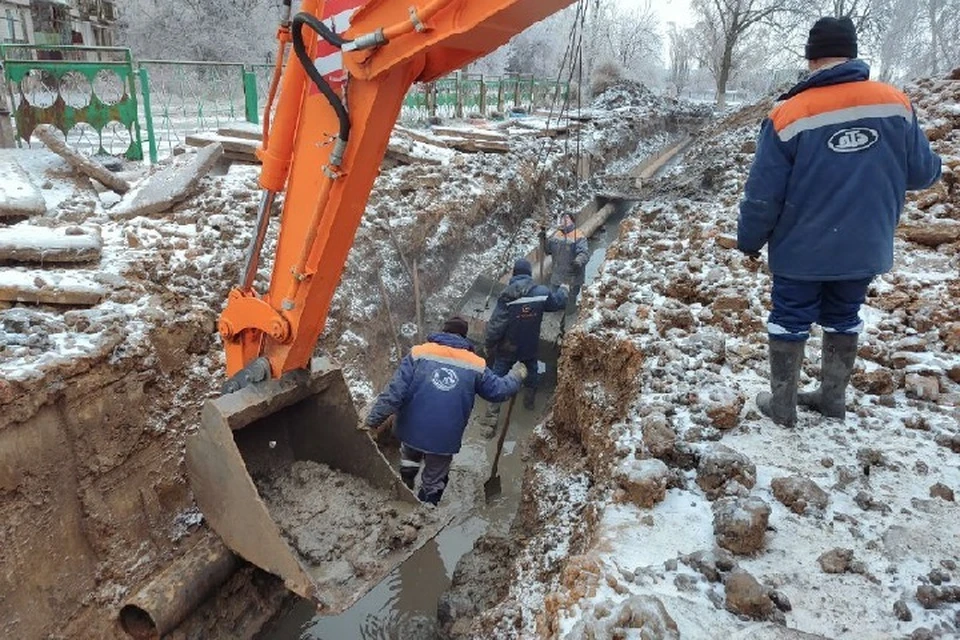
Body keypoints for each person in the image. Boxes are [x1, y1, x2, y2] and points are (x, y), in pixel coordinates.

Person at [737, 16, 942, 428]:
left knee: (790, 318)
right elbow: (923, 173)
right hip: (865, 245)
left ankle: (783, 406)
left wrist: (748, 239)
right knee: (844, 314)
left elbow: (764, 193)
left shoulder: (790, 114)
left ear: (812, 58)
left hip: (802, 248)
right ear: (852, 54)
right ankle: (832, 399)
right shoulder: (894, 103)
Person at [364, 315, 526, 505]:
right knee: (434, 480)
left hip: (410, 429)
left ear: (443, 331)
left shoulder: (418, 353)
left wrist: (371, 422)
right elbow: (499, 391)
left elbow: (394, 393)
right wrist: (516, 376)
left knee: (409, 457)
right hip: (444, 437)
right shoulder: (476, 364)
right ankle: (426, 512)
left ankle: (404, 493)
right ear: (464, 337)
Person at [483, 259, 568, 428]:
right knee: (532, 375)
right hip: (529, 346)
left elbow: (496, 325)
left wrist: (488, 344)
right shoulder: (541, 293)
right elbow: (557, 303)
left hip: (507, 347)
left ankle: (491, 417)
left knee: (497, 378)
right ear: (529, 274)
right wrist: (564, 290)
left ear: (514, 274)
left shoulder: (506, 295)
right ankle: (529, 405)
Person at [543, 213, 588, 311]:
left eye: (567, 218)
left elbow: (584, 253)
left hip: (572, 277)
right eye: (563, 218)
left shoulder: (578, 236)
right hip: (557, 276)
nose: (565, 220)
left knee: (569, 304)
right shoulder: (556, 235)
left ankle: (570, 318)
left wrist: (578, 261)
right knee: (554, 302)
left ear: (572, 220)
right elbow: (548, 251)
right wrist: (543, 240)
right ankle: (555, 321)